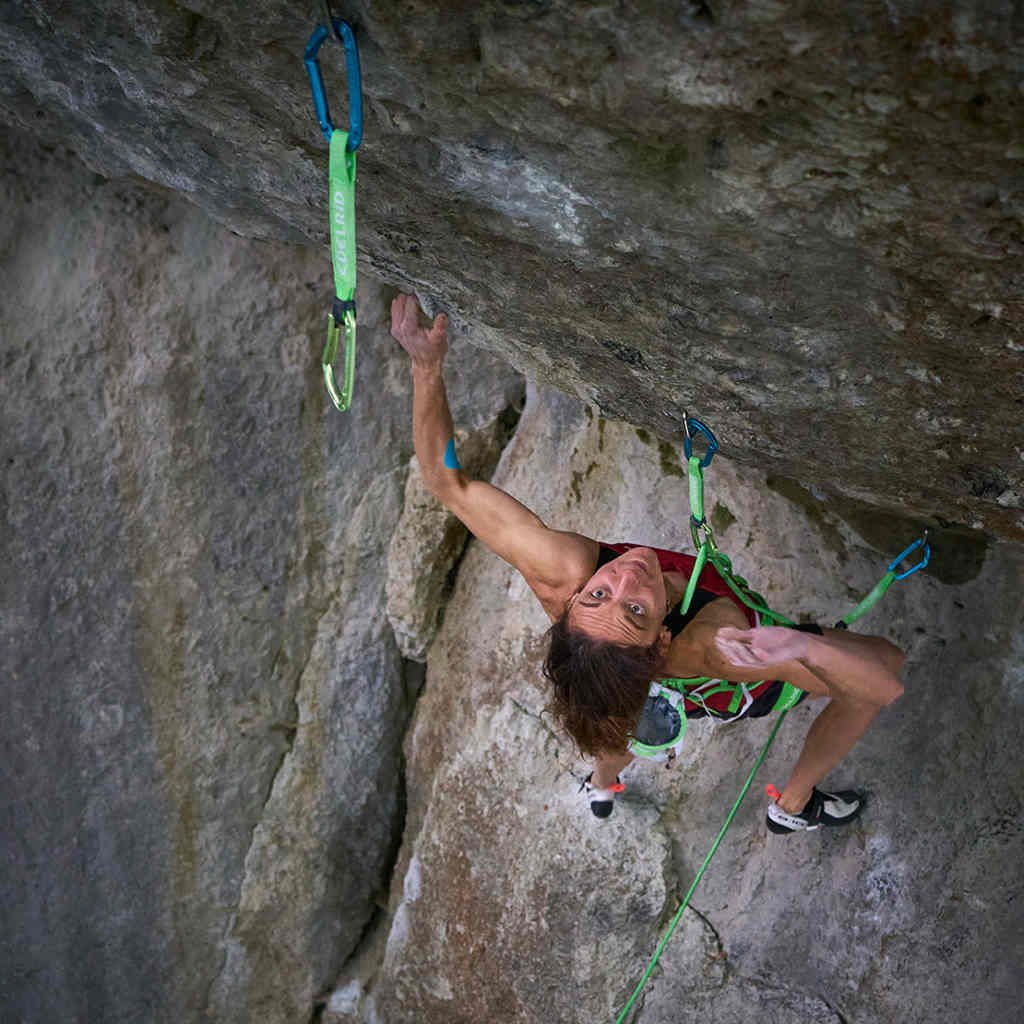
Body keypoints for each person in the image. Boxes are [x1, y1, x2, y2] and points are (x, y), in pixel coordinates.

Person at [390, 293, 906, 833]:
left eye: (598, 594)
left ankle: (603, 781)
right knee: (869, 670)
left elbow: (448, 483)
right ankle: (793, 804)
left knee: (612, 718)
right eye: (636, 609)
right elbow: (881, 682)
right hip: (733, 685)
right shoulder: (719, 647)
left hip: (622, 675)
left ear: (569, 611)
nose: (624, 577)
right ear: (662, 638)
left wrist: (426, 367)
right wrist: (803, 645)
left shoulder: (562, 576)